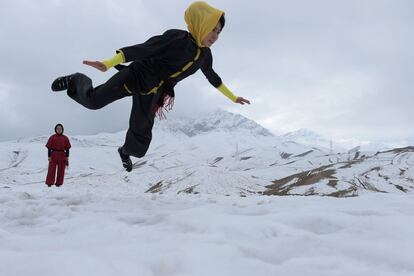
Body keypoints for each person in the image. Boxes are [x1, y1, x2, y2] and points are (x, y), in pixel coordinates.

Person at [51, 1, 250, 172]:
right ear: (200, 23)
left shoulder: (206, 56)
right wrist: (109, 63)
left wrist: (233, 97)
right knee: (93, 101)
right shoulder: (177, 38)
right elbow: (144, 49)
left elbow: (212, 76)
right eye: (212, 29)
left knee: (140, 144)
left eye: (219, 32)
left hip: (153, 92)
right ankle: (76, 80)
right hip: (135, 76)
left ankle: (124, 151)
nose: (216, 35)